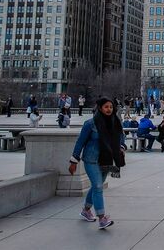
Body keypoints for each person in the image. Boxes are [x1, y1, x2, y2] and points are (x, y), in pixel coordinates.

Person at [69, 98, 126, 230]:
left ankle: (86, 210)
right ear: (100, 108)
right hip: (92, 159)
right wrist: (74, 161)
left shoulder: (115, 122)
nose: (109, 109)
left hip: (107, 159)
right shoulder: (90, 124)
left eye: (111, 107)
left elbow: (121, 136)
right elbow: (80, 142)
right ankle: (102, 218)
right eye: (106, 107)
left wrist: (122, 147)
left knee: (96, 186)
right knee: (98, 186)